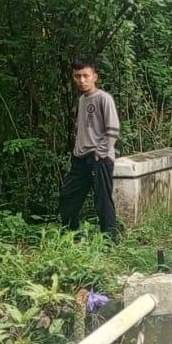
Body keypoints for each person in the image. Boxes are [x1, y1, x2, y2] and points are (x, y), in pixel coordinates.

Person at [58, 58, 120, 241]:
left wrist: (99, 153)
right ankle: (72, 236)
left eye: (86, 76)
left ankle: (110, 240)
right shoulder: (82, 100)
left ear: (95, 76)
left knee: (102, 201)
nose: (82, 80)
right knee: (67, 197)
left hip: (99, 159)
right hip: (80, 159)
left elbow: (113, 129)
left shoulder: (103, 98)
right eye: (77, 76)